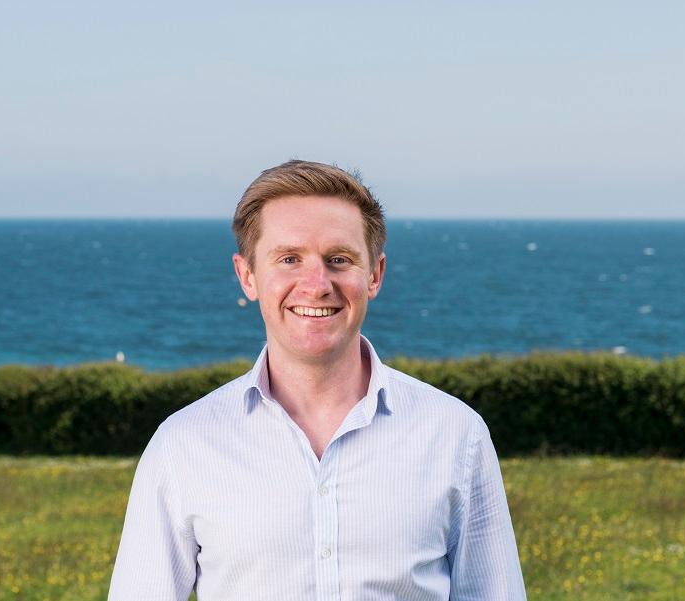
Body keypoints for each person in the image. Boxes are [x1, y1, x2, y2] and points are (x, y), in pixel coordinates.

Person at [107, 160, 527, 600]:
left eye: (338, 260)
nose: (317, 284)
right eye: (289, 259)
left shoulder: (456, 434)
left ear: (375, 275)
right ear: (247, 276)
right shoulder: (183, 444)